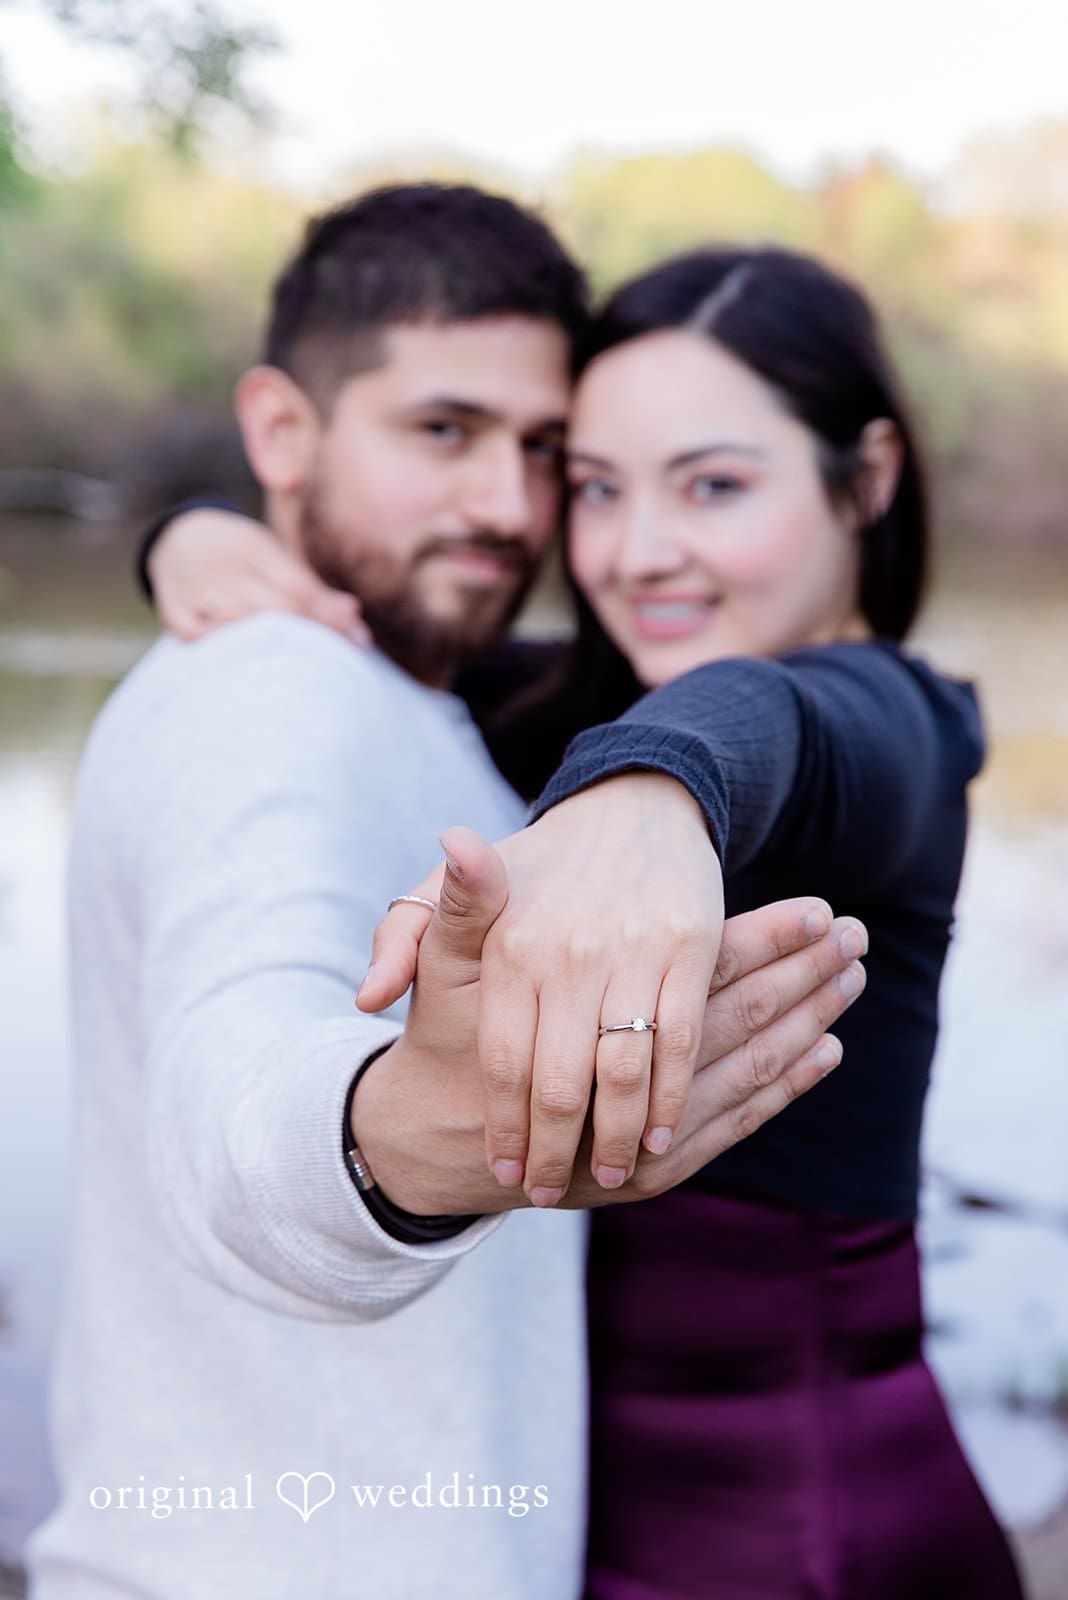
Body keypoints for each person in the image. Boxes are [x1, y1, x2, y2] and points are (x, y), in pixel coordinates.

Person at [152, 242, 1025, 1598]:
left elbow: (774, 722)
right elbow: (389, 620)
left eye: (716, 486)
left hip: (801, 1532)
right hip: (576, 1514)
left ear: (869, 480)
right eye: (597, 490)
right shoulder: (565, 700)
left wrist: (648, 790)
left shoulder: (900, 723)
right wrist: (194, 533)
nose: (636, 553)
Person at [27, 187, 863, 1600]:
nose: (508, 509)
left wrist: (186, 527)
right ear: (284, 433)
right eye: (443, 433)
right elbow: (233, 1093)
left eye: (547, 455)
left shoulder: (424, 693)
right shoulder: (266, 694)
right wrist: (410, 1138)